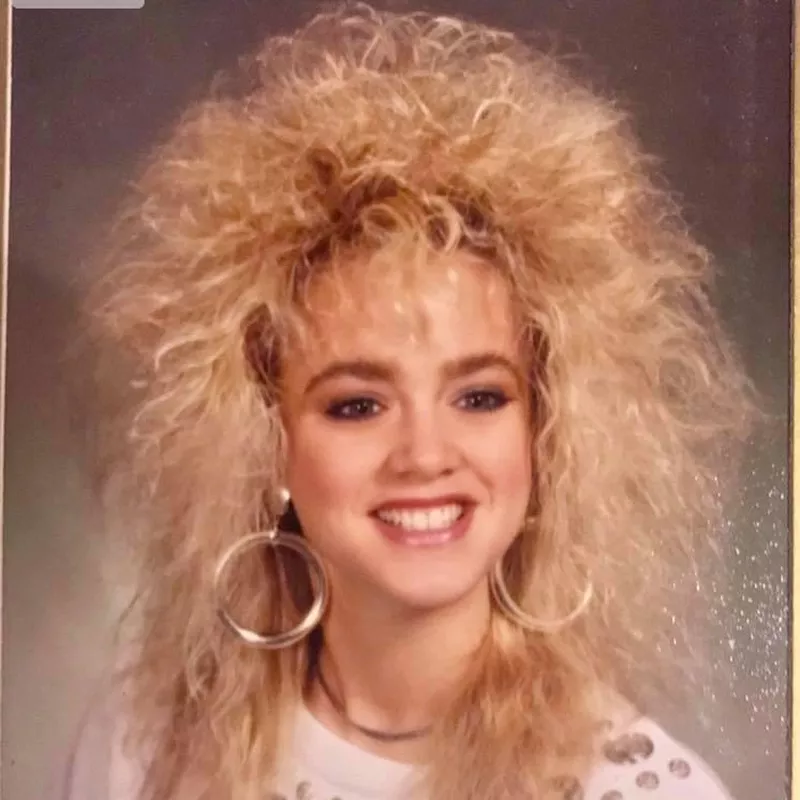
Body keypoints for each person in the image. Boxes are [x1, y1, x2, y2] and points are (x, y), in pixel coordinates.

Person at [66, 4, 753, 799]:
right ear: (264, 442)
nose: (426, 454)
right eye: (358, 405)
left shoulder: (646, 791)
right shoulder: (141, 749)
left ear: (549, 432)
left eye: (480, 396)